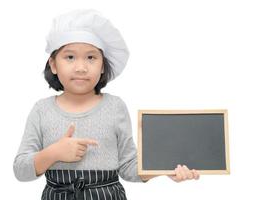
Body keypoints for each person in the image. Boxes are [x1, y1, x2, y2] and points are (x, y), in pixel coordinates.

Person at [13, 9, 200, 200]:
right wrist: (54, 153)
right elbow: (20, 170)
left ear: (103, 65)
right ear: (53, 64)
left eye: (91, 57)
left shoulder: (115, 107)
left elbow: (128, 167)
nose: (81, 67)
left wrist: (164, 169)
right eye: (70, 57)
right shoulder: (41, 110)